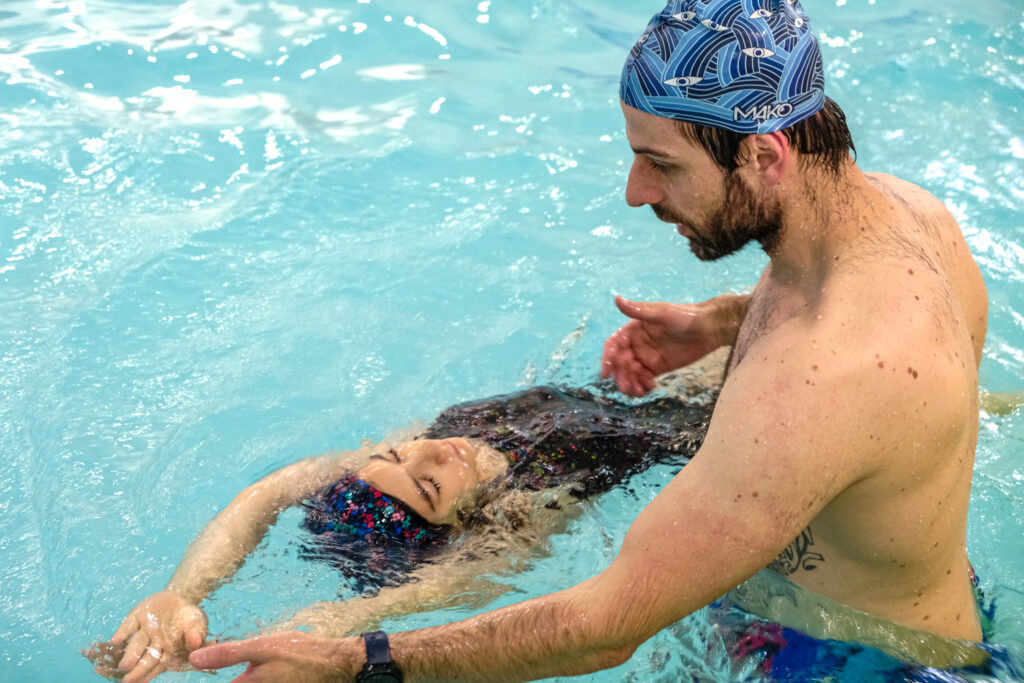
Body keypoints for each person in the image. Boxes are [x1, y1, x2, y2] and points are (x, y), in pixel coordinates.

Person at [183, 0, 998, 681]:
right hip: (870, 608)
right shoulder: (906, 214)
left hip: (852, 664)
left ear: (763, 154)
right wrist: (721, 322)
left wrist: (355, 659)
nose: (636, 191)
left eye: (661, 164)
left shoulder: (821, 381)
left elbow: (606, 627)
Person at [89, 384, 714, 683]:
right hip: (676, 425)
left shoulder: (422, 451)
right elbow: (450, 586)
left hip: (614, 378)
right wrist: (327, 630)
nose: (434, 452)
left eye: (397, 451)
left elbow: (269, 494)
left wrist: (183, 591)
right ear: (460, 524)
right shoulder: (523, 510)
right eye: (432, 487)